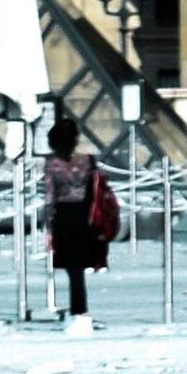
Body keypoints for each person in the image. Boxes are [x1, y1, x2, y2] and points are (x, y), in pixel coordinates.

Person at [43, 106, 119, 331]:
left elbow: (50, 198)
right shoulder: (88, 161)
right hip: (86, 216)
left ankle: (79, 311)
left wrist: (48, 229)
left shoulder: (52, 165)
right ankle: (80, 309)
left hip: (64, 218)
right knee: (79, 266)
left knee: (73, 268)